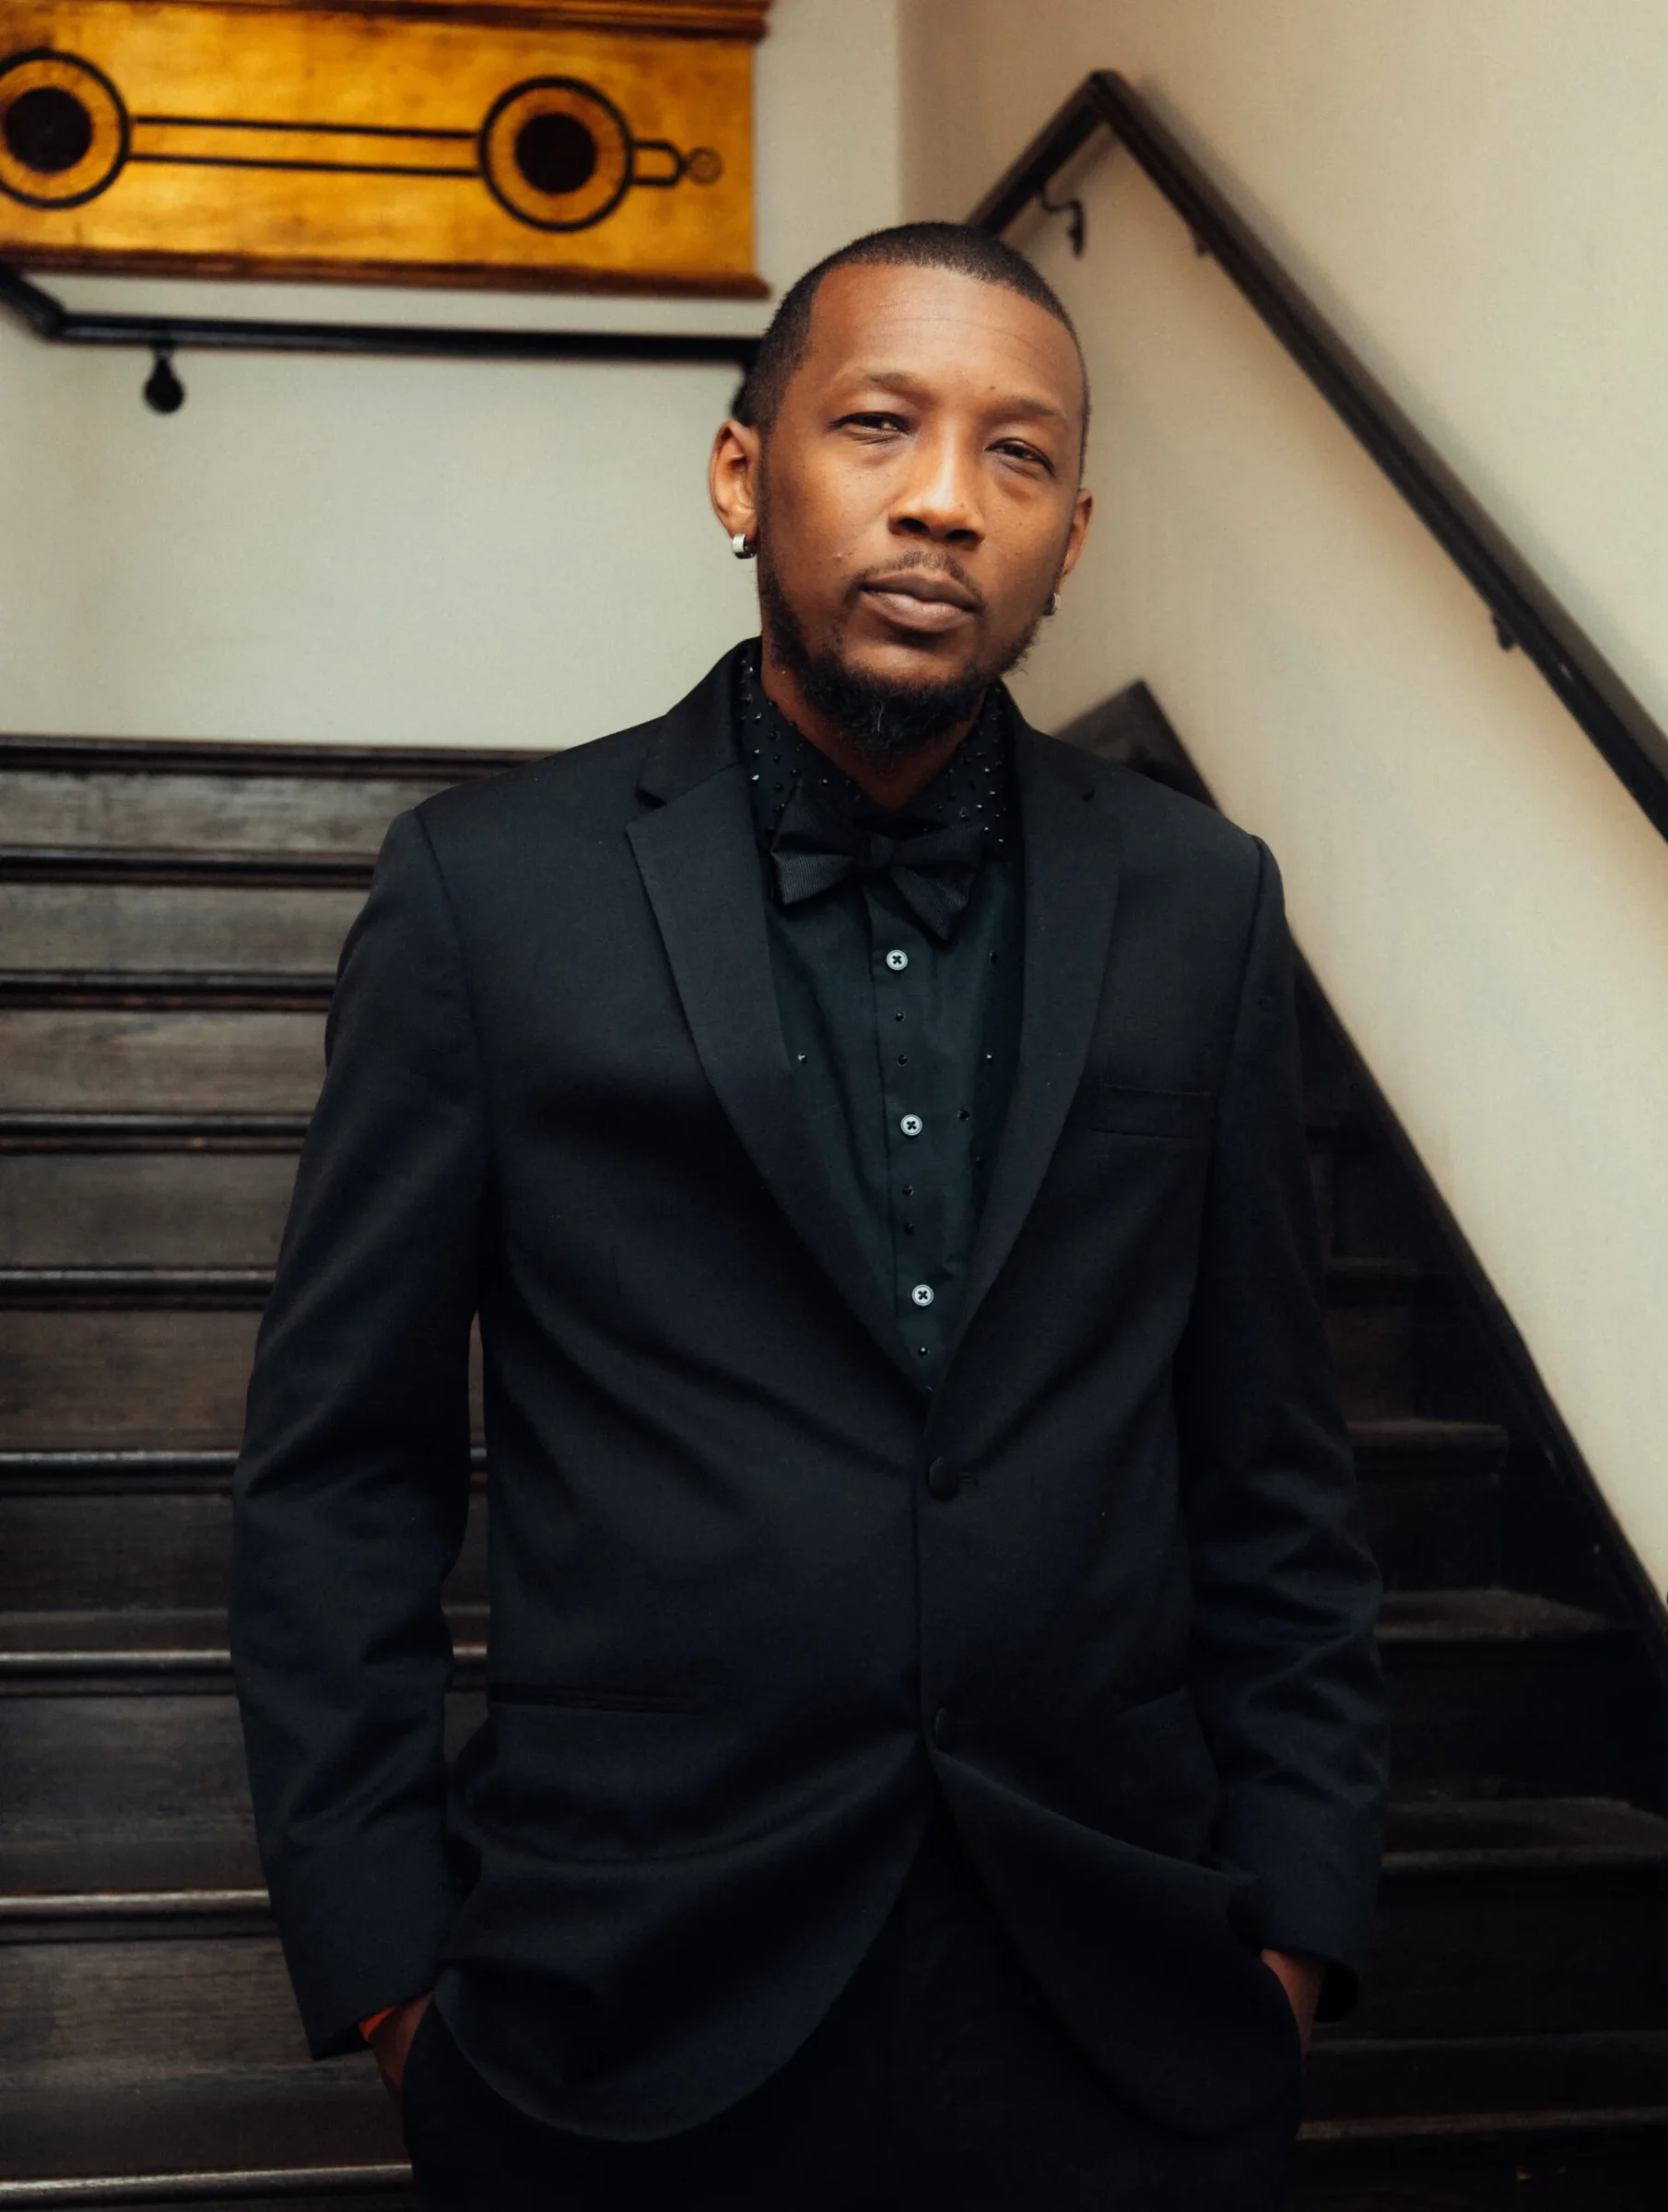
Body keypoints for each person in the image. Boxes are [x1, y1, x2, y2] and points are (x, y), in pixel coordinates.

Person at [232, 221, 1387, 2211]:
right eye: (879, 425)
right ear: (743, 473)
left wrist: (1295, 1929)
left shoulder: (1206, 906)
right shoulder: (489, 900)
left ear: (1074, 532)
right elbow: (343, 1474)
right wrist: (390, 1981)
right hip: (617, 2016)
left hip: (1118, 2016)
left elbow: (1269, 1465)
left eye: (1018, 457)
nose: (947, 496)